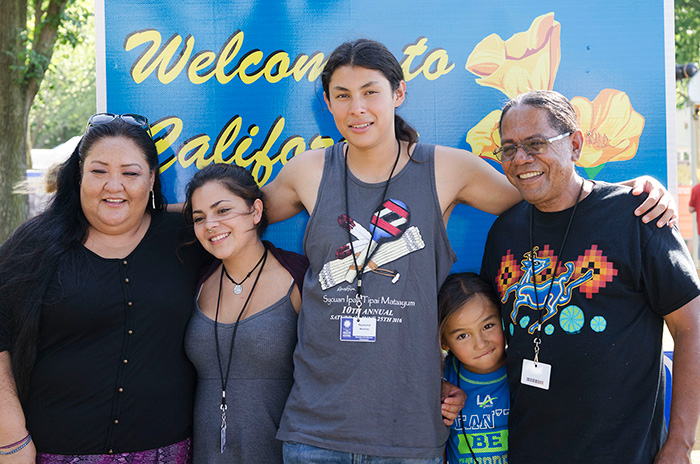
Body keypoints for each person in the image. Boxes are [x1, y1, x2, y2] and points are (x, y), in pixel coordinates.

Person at [262, 38, 676, 462]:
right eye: (342, 96)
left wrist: (627, 193)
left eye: (371, 91)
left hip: (410, 434)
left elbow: (548, 193)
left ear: (398, 93)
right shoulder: (308, 171)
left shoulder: (446, 168)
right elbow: (234, 218)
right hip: (315, 431)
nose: (357, 108)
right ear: (328, 103)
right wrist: (192, 214)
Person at [480, 90, 700, 463]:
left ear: (575, 144)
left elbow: (691, 327)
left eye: (536, 144)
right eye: (509, 148)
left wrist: (679, 444)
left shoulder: (638, 217)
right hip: (529, 452)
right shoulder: (503, 232)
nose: (521, 159)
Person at [0, 115, 210, 463]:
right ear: (79, 174)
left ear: (152, 179)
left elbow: (240, 213)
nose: (114, 186)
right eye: (99, 171)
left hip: (165, 454)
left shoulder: (185, 238)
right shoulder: (35, 244)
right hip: (55, 453)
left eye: (130, 173)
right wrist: (10, 436)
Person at [181, 163, 308, 463]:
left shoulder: (299, 277)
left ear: (255, 211)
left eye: (223, 210)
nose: (210, 224)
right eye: (199, 218)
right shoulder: (197, 281)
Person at [438, 273, 509, 464]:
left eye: (488, 326)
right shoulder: (443, 379)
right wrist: (439, 388)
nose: (480, 344)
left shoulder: (521, 372)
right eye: (462, 336)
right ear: (444, 342)